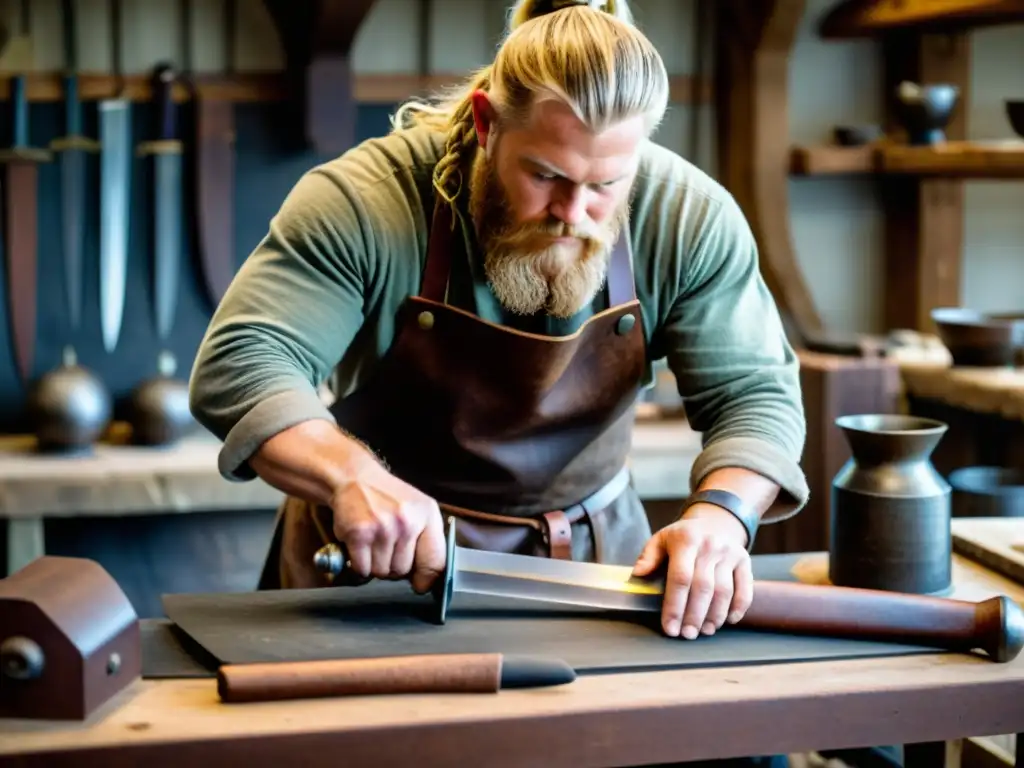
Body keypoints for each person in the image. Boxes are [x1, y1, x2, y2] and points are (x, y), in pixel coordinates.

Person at [190, 0, 807, 740]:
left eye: (607, 184)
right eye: (545, 175)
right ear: (485, 123)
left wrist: (722, 518)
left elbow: (756, 394)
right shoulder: (367, 200)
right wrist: (351, 478)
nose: (574, 213)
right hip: (376, 573)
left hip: (596, 575)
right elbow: (243, 361)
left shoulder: (687, 215)